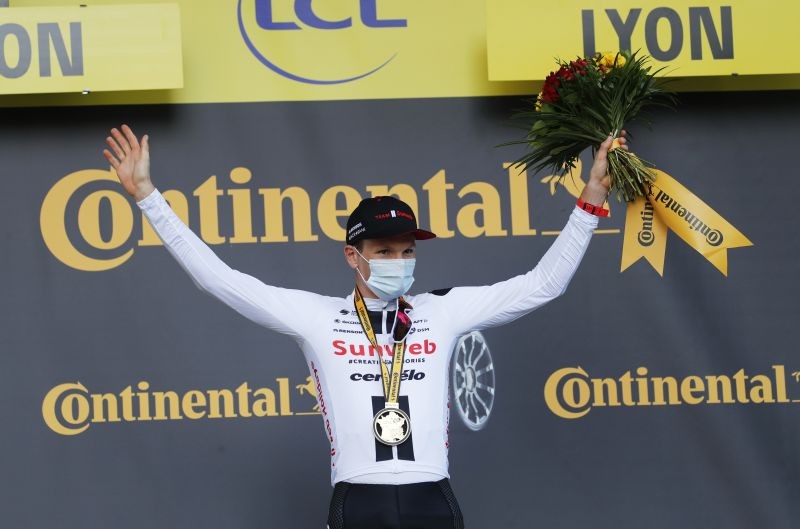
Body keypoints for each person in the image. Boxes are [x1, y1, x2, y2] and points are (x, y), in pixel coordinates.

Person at [102, 125, 625, 529]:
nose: (399, 260)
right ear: (354, 256)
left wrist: (591, 196)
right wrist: (149, 198)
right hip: (358, 499)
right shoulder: (318, 318)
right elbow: (220, 281)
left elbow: (543, 285)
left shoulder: (443, 310)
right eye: (383, 251)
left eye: (407, 250)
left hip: (432, 497)